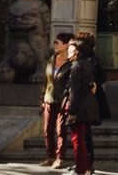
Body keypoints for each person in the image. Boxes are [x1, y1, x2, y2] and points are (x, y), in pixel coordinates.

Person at [64, 37, 100, 175]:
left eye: (71, 48)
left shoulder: (76, 66)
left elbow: (75, 91)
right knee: (82, 138)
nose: (68, 50)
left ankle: (81, 169)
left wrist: (72, 111)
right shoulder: (87, 64)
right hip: (88, 107)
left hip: (80, 108)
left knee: (77, 139)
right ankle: (85, 168)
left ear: (77, 51)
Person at [40, 32, 73, 168]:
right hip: (49, 98)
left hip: (61, 100)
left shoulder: (71, 64)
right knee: (47, 129)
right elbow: (45, 81)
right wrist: (42, 98)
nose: (55, 45)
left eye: (57, 43)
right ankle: (50, 155)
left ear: (66, 45)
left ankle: (60, 158)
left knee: (60, 130)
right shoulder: (51, 60)